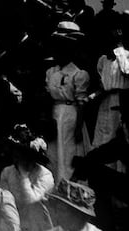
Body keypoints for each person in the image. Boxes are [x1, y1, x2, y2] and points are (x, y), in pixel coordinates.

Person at [44, 35, 89, 183]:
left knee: (67, 151)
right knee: (53, 152)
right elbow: (48, 96)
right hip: (54, 113)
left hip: (70, 115)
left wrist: (78, 127)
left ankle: (66, 184)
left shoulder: (78, 74)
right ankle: (53, 184)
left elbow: (81, 102)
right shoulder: (51, 72)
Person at [0, 126, 53, 231]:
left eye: (22, 157)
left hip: (38, 224)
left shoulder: (45, 175)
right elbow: (6, 202)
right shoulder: (7, 172)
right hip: (14, 221)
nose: (18, 160)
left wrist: (24, 177)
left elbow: (31, 201)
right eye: (16, 156)